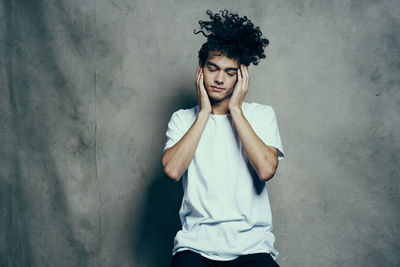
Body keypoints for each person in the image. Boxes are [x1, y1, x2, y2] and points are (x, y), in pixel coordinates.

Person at [162, 10, 285, 267]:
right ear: (201, 70)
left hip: (253, 247)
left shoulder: (261, 115)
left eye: (230, 73)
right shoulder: (183, 119)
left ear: (242, 76)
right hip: (195, 246)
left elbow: (266, 169)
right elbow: (172, 170)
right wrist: (205, 112)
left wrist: (236, 110)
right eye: (212, 69)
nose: (219, 79)